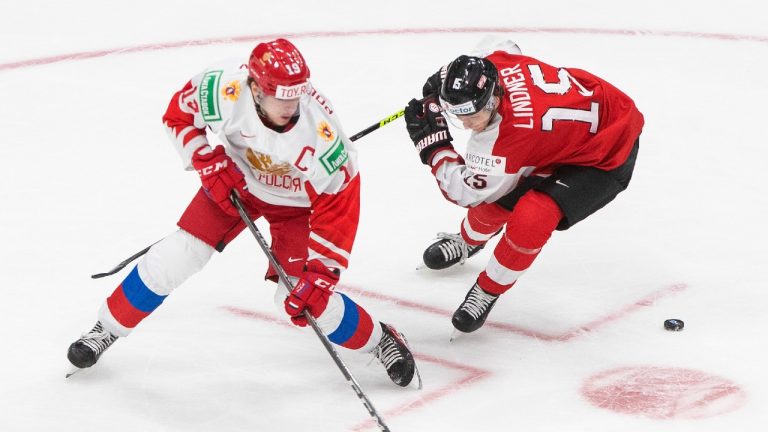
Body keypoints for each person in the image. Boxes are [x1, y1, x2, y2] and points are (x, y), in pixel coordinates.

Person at [68, 38, 418, 387]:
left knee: (304, 299)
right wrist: (205, 159)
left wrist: (323, 271)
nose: (291, 105)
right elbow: (179, 115)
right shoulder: (223, 88)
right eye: (281, 96)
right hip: (236, 185)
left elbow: (340, 196)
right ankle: (107, 328)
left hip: (298, 208)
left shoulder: (322, 133)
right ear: (254, 86)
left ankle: (381, 340)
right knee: (178, 255)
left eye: (296, 95)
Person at [403, 39, 644, 335]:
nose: (465, 125)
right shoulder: (497, 64)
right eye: (457, 114)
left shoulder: (502, 142)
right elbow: (501, 46)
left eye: (470, 115)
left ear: (492, 100)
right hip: (561, 134)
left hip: (608, 151)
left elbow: (464, 192)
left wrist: (434, 146)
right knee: (494, 206)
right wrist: (441, 84)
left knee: (532, 216)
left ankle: (488, 289)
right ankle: (469, 241)